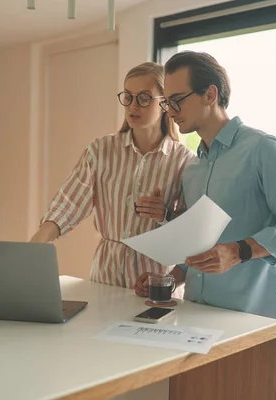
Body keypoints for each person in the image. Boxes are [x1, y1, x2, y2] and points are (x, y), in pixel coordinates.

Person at [134, 51, 276, 343]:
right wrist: (171, 278)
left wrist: (238, 251)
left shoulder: (263, 149)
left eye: (177, 100)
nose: (170, 111)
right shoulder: (192, 169)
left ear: (210, 94)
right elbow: (199, 245)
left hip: (251, 324)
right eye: (167, 102)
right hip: (193, 321)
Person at [30, 61, 196, 288]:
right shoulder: (100, 150)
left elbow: (191, 229)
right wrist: (36, 243)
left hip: (155, 280)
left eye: (144, 98)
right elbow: (70, 202)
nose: (132, 106)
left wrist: (164, 214)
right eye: (128, 97)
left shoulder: (184, 160)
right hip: (105, 275)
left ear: (165, 104)